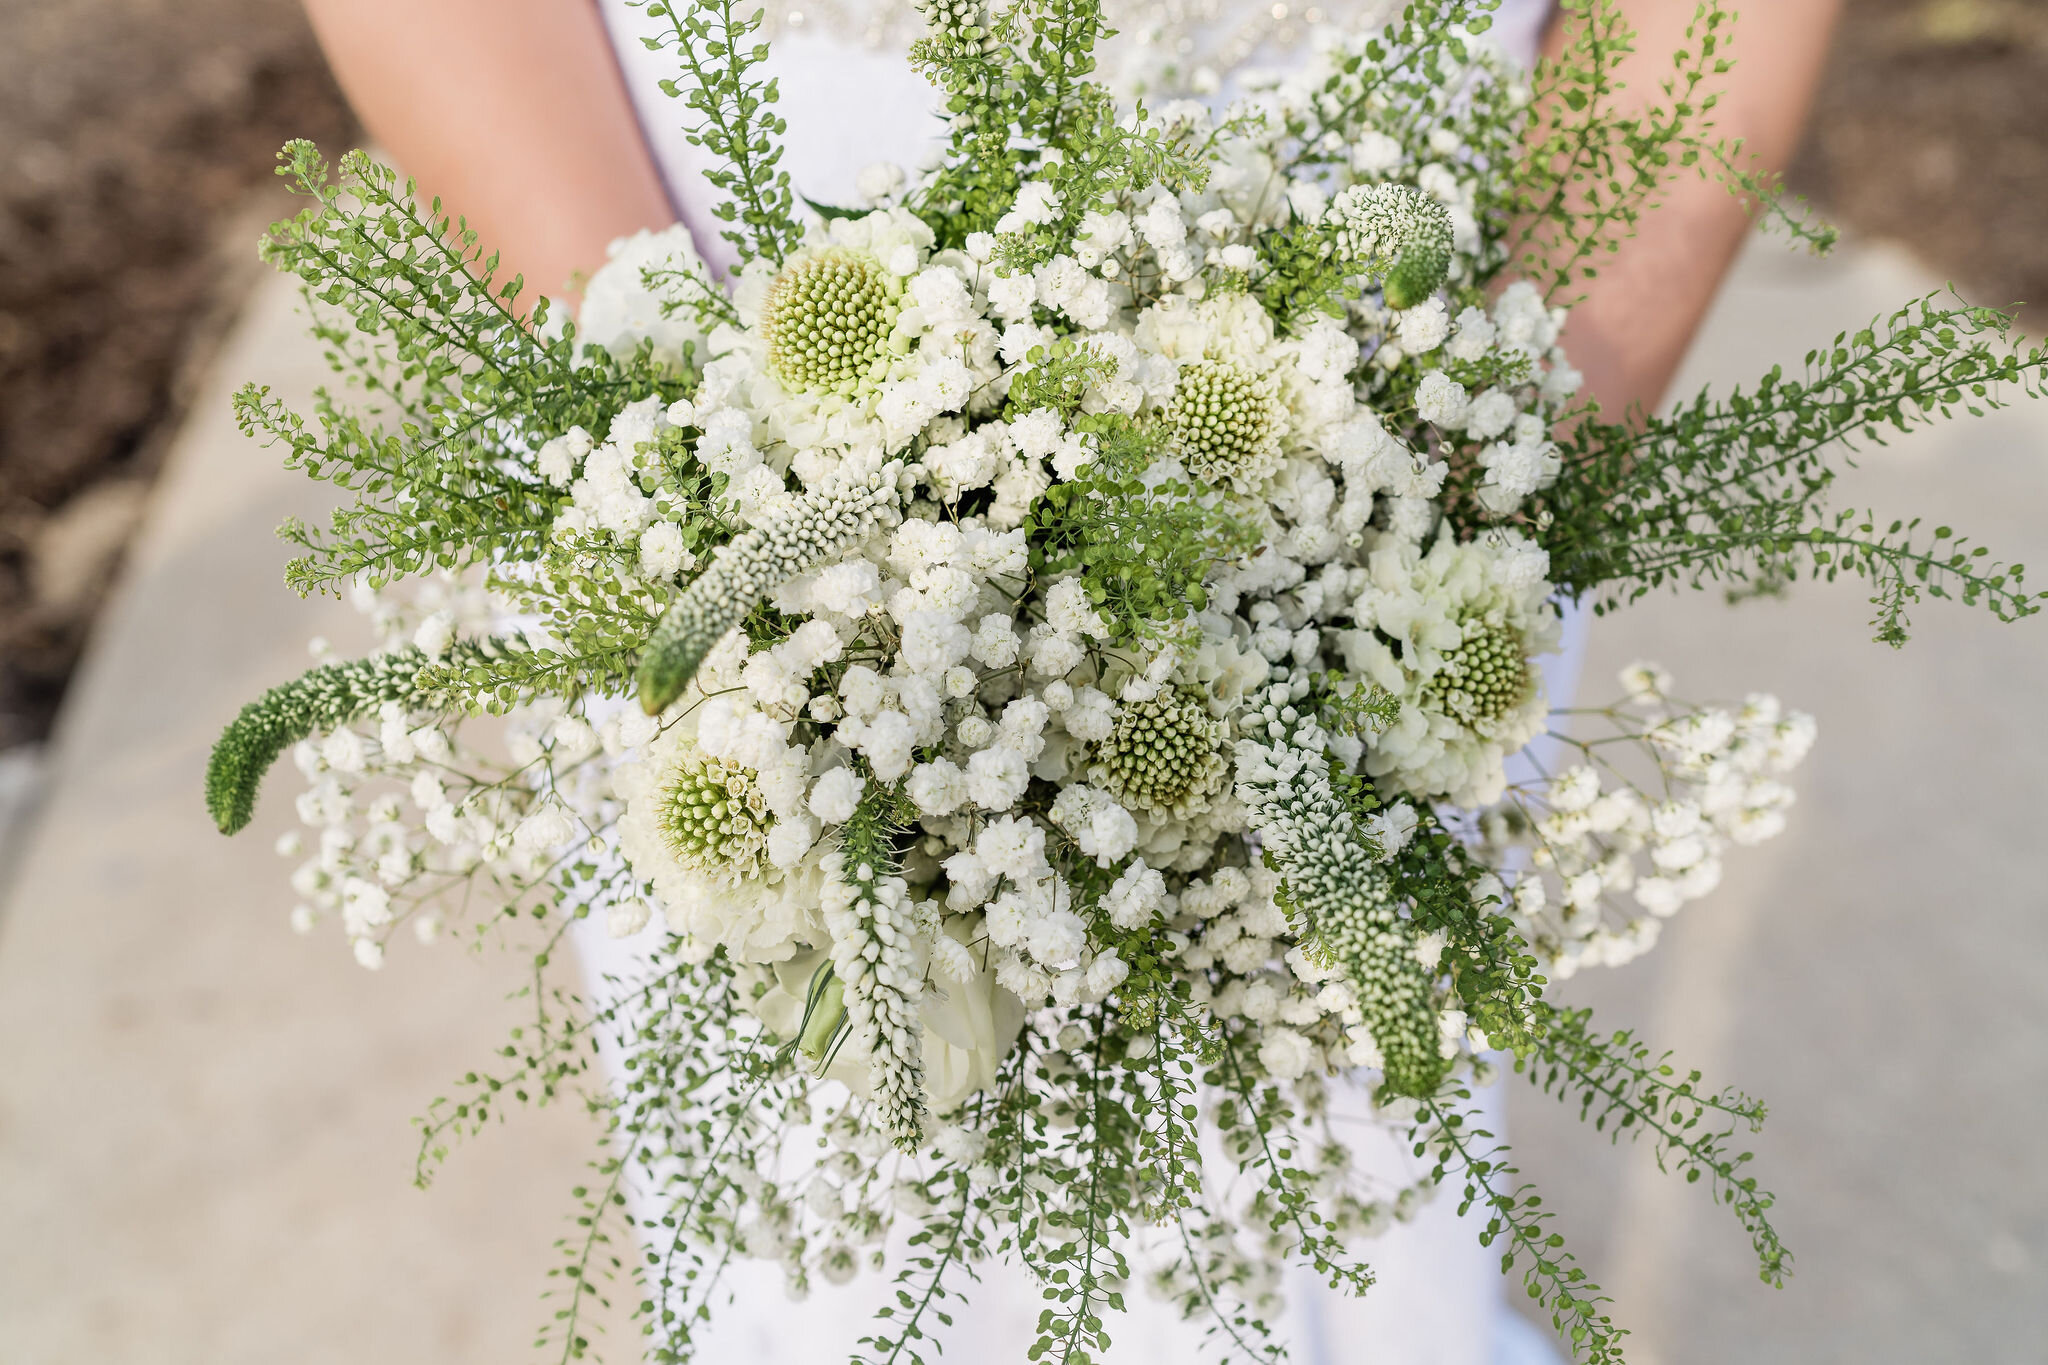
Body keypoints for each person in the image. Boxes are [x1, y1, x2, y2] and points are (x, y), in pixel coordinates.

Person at [298, 1, 1841, 1359]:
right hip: (699, 293)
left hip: (1398, 382)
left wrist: (1498, 442)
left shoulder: (1434, 462)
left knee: (1351, 1163)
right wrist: (704, 472)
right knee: (842, 1161)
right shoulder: (697, 464)